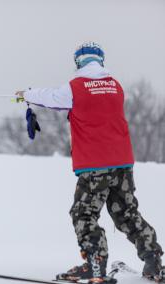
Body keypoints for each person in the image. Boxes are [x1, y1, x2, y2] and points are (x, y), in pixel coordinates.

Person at [15, 42, 164, 283]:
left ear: (77, 62)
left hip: (95, 164)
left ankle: (95, 264)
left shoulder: (75, 87)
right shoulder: (115, 86)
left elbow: (52, 98)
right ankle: (153, 261)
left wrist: (26, 94)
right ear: (101, 60)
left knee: (83, 213)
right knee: (126, 212)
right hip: (123, 162)